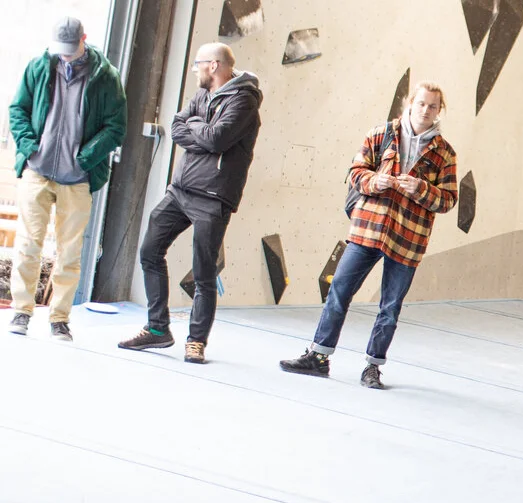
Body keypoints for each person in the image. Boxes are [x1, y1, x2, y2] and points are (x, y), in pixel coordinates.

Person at [279, 83, 457, 388]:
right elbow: (356, 173)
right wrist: (377, 181)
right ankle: (319, 356)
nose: (426, 111)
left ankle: (373, 366)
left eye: (433, 107)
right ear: (410, 103)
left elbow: (449, 199)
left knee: (390, 306)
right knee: (339, 291)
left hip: (409, 240)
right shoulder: (380, 134)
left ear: (439, 111)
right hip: (368, 229)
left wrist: (421, 189)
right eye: (422, 104)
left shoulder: (445, 153)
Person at [117, 43, 261, 363]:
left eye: (198, 64)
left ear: (213, 65)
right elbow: (177, 125)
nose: (194, 70)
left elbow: (216, 139)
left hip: (213, 196)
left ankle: (196, 341)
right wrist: (200, 128)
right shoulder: (202, 94)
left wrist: (198, 129)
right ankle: (158, 329)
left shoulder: (244, 100)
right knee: (150, 250)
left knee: (203, 273)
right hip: (180, 190)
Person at [7, 17, 126, 341]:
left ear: (83, 40)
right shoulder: (39, 67)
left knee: (70, 252)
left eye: (70, 51)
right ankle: (21, 312)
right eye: (60, 51)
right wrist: (30, 147)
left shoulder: (106, 77)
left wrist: (86, 158)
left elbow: (116, 126)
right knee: (28, 245)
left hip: (77, 178)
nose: (65, 57)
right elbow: (17, 109)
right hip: (37, 170)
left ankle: (60, 319)